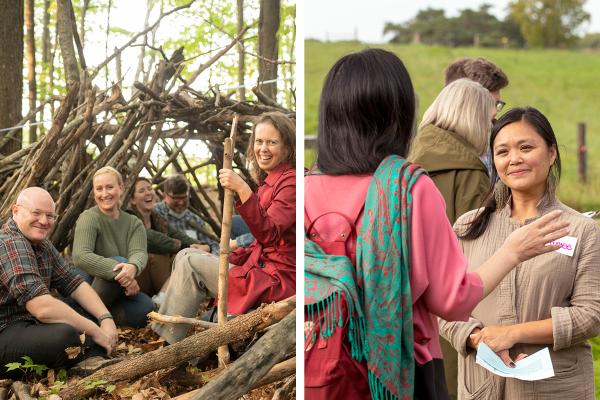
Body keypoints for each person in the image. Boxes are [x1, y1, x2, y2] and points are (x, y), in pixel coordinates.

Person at [303, 49, 569, 400]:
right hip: (402, 368)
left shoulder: (307, 187)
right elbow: (451, 298)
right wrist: (513, 251)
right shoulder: (408, 188)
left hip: (322, 359)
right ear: (398, 112)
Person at [439, 107, 600, 399]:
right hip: (481, 386)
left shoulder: (581, 231)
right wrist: (477, 337)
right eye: (502, 152)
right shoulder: (467, 227)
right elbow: (443, 305)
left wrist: (512, 334)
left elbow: (591, 315)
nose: (514, 159)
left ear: (552, 154)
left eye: (526, 147)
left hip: (556, 389)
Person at [152, 112, 296, 344]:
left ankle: (171, 347)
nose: (263, 149)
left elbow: (269, 234)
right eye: (259, 141)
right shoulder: (272, 182)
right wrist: (227, 255)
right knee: (186, 254)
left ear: (287, 146)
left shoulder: (292, 183)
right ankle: (167, 339)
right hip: (262, 272)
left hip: (276, 282)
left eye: (272, 142)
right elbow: (260, 245)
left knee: (189, 262)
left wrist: (242, 189)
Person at [0, 187, 118, 377]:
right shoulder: (9, 242)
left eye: (50, 216)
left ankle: (84, 357)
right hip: (5, 330)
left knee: (86, 316)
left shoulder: (42, 244)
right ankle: (82, 359)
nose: (44, 221)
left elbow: (74, 282)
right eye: (36, 213)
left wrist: (106, 319)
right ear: (16, 211)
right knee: (67, 335)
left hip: (28, 324)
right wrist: (95, 331)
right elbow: (42, 308)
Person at [72, 166, 154, 328]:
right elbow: (80, 256)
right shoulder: (89, 217)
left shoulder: (133, 223)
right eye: (99, 189)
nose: (105, 194)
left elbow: (138, 253)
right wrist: (124, 274)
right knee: (119, 260)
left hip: (116, 290)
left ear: (121, 188)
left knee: (146, 308)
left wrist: (132, 267)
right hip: (87, 285)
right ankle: (85, 321)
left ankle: (93, 318)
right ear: (94, 192)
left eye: (110, 187)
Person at [408, 78, 495, 223]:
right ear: (477, 121)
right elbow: (477, 241)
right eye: (490, 120)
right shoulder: (471, 173)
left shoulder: (409, 152)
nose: (490, 127)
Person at [126, 177, 207, 296]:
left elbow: (176, 234)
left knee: (182, 257)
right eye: (142, 190)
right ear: (132, 199)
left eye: (149, 188)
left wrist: (200, 245)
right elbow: (152, 238)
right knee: (160, 255)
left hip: (155, 278)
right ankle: (167, 298)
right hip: (135, 277)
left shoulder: (156, 217)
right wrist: (186, 246)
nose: (148, 192)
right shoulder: (129, 217)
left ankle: (167, 297)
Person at [153, 175, 220, 254]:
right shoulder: (155, 213)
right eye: (176, 198)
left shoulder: (195, 220)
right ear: (164, 195)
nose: (181, 202)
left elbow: (213, 245)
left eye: (184, 197)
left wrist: (209, 248)